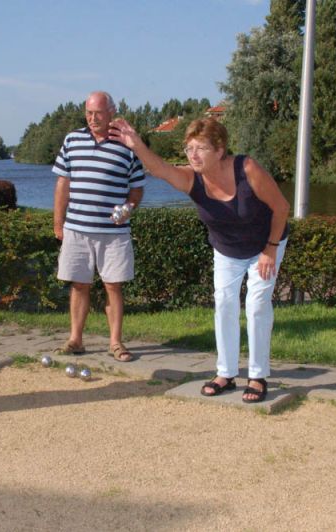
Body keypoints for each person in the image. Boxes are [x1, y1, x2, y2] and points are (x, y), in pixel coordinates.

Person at [110, 117, 289, 402]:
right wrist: (136, 144)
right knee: (225, 302)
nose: (193, 154)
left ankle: (257, 376)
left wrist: (270, 249)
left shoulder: (247, 169)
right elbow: (159, 169)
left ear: (219, 150)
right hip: (227, 248)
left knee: (256, 305)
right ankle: (226, 373)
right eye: (189, 148)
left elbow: (281, 207)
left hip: (266, 243)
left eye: (200, 148)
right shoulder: (192, 179)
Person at [52, 91, 145, 362]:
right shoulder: (72, 140)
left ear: (111, 113)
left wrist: (128, 209)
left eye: (99, 113)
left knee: (113, 286)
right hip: (77, 229)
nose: (93, 118)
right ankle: (75, 340)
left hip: (113, 234)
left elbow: (137, 188)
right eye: (89, 113)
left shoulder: (127, 145)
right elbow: (62, 184)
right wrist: (58, 223)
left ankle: (116, 343)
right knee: (79, 285)